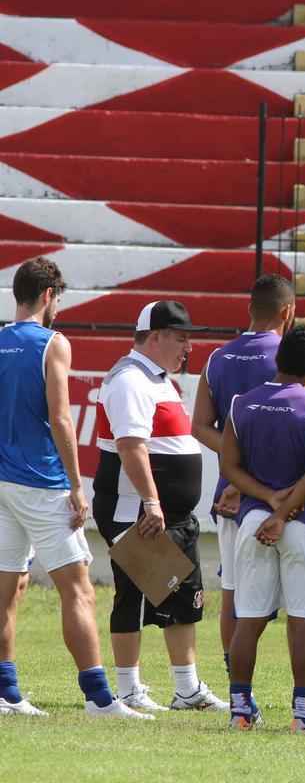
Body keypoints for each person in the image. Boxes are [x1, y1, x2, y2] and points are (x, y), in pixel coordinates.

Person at [0, 258, 145, 719]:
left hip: (1, 482)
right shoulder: (53, 343)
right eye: (58, 297)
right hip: (41, 482)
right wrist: (77, 487)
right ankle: (99, 698)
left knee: (6, 590)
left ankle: (5, 692)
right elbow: (62, 417)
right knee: (78, 590)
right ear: (47, 296)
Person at [92, 300, 227, 712]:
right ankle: (129, 689)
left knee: (184, 597)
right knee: (133, 597)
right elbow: (132, 448)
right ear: (155, 337)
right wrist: (151, 501)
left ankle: (186, 689)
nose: (188, 348)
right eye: (181, 338)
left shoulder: (158, 379)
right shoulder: (130, 380)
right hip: (136, 510)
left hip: (169, 513)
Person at [221, 326, 305, 731]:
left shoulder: (242, 405)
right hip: (304, 523)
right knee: (303, 619)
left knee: (248, 618)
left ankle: (239, 712)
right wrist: (284, 510)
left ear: (278, 358)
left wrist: (269, 502)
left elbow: (229, 467)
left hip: (253, 521)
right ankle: (303, 716)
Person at [190, 274, 295, 673]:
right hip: (284, 496)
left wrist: (237, 460)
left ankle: (238, 691)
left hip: (230, 494)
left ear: (250, 309)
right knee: (304, 599)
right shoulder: (291, 356)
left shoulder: (218, 358)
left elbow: (199, 425)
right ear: (288, 311)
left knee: (233, 594)